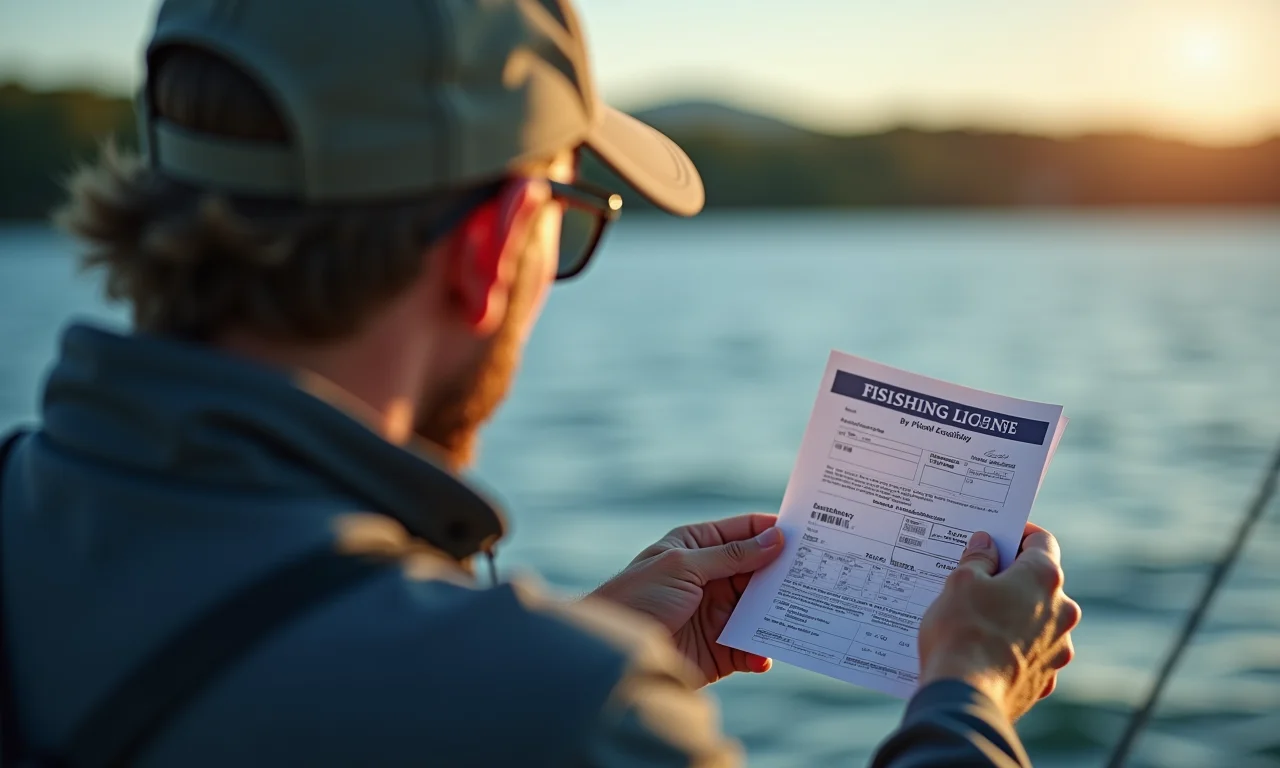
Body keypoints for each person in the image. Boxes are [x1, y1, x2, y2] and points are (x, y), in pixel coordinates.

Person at [0, 0, 1080, 765]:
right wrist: (968, 695)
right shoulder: (572, 724)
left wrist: (575, 646)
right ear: (494, 245)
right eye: (565, 214)